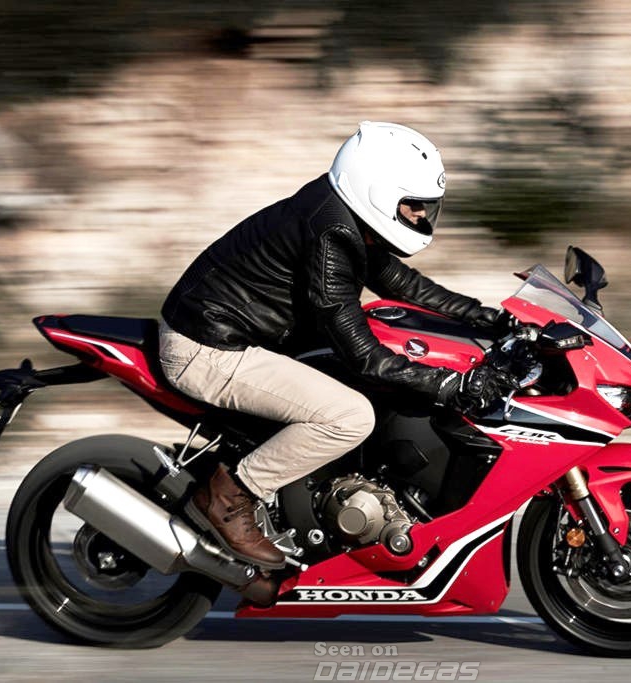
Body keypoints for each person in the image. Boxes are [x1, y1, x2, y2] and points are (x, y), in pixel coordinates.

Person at [158, 121, 512, 591]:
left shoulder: (343, 216)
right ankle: (228, 497)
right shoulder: (332, 232)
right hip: (208, 348)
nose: (419, 215)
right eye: (411, 204)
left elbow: (402, 283)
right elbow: (365, 357)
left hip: (246, 336)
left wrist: (489, 318)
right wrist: (449, 384)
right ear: (375, 191)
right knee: (348, 416)